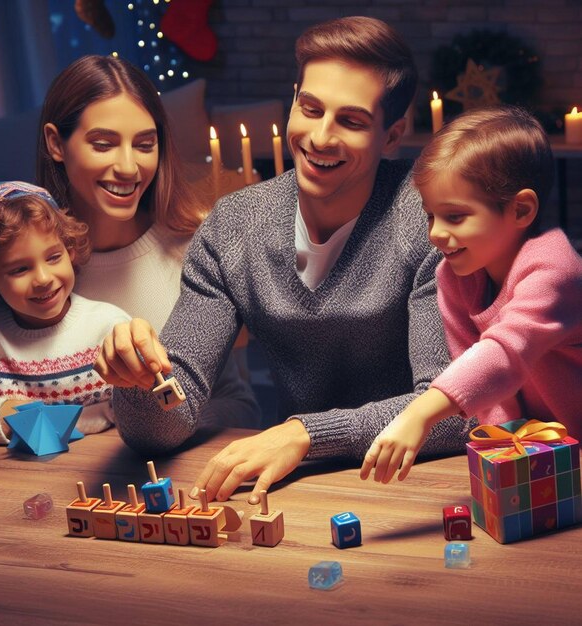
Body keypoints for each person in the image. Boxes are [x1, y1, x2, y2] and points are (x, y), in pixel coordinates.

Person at [97, 16, 471, 503]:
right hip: (293, 487)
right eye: (310, 108)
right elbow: (167, 423)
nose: (320, 137)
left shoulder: (429, 220)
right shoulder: (233, 227)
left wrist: (305, 434)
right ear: (293, 99)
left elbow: (451, 411)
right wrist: (143, 383)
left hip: (416, 487)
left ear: (392, 135)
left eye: (351, 121)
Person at [33, 54, 260, 429]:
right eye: (103, 144)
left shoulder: (195, 251)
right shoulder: (20, 265)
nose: (128, 167)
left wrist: (146, 431)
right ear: (56, 143)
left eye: (144, 144)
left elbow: (241, 407)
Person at [360, 106, 582, 484]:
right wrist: (507, 454)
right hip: (545, 456)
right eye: (430, 216)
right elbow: (484, 387)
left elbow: (504, 354)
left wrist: (419, 413)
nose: (434, 233)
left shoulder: (554, 267)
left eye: (455, 217)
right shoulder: (454, 276)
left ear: (521, 209)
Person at [0, 181, 130, 444]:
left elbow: (151, 409)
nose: (43, 279)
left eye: (53, 257)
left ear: (69, 251)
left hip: (97, 473)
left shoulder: (110, 328)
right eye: (19, 269)